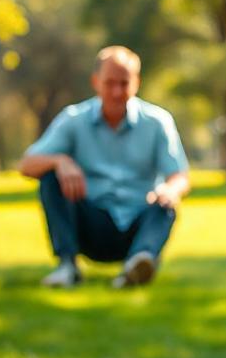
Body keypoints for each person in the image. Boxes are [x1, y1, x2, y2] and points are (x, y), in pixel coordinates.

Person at [18, 46, 191, 289]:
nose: (117, 92)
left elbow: (180, 175)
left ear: (137, 82)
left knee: (167, 204)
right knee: (50, 179)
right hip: (91, 223)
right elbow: (26, 164)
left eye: (124, 83)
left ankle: (137, 265)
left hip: (138, 225)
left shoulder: (157, 122)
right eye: (110, 83)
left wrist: (171, 190)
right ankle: (67, 267)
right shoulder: (73, 119)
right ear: (95, 82)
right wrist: (60, 161)